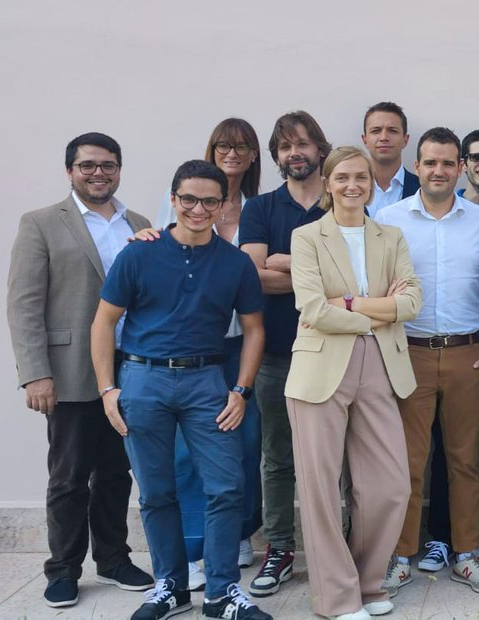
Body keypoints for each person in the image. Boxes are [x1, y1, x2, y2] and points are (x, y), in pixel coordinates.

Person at [91, 159, 270, 620]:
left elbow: (254, 329)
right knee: (155, 491)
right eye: (188, 199)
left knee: (226, 487)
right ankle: (170, 587)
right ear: (173, 200)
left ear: (223, 204)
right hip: (142, 380)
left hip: (207, 382)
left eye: (209, 201)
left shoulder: (235, 263)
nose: (198, 209)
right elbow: (104, 322)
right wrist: (108, 390)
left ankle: (222, 593)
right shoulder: (139, 254)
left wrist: (241, 390)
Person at [6, 132, 154, 608]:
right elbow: (24, 303)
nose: (98, 173)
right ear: (70, 171)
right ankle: (63, 569)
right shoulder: (41, 223)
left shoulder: (140, 224)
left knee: (116, 472)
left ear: (119, 170)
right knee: (69, 476)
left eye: (108, 165)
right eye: (87, 165)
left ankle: (112, 559)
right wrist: (35, 372)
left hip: (129, 368)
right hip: (69, 369)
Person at [285, 146, 421, 620]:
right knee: (320, 487)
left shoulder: (391, 236)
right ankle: (336, 599)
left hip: (381, 365)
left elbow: (411, 303)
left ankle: (367, 582)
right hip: (320, 369)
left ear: (371, 183)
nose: (352, 185)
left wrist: (350, 304)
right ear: (327, 183)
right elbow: (312, 309)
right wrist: (379, 312)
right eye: (342, 177)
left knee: (390, 485)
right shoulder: (306, 237)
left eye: (360, 176)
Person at [375, 127, 479, 596]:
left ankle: (466, 554)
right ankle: (400, 556)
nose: (439, 171)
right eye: (430, 162)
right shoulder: (388, 219)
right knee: (407, 462)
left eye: (448, 163)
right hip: (408, 352)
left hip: (470, 354)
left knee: (465, 460)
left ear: (461, 168)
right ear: (417, 166)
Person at [150, 118, 265, 590]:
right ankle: (194, 547)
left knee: (246, 441)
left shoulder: (258, 209)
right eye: (223, 145)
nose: (232, 153)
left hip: (243, 343)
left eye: (242, 146)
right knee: (187, 452)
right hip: (194, 347)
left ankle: (238, 532)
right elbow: (162, 248)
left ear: (254, 155)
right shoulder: (182, 200)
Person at [239, 110, 331, 597]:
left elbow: (356, 277)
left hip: (335, 352)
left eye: (303, 144)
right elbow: (252, 277)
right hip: (276, 353)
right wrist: (321, 276)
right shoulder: (260, 208)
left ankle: (336, 548)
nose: (295, 153)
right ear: (276, 156)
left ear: (319, 149)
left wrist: (289, 265)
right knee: (277, 459)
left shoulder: (342, 199)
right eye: (285, 146)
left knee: (336, 459)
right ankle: (279, 549)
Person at [418, 129, 479, 572]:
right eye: (475, 157)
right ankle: (432, 540)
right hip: (419, 351)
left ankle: (470, 540)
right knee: (426, 455)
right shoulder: (401, 218)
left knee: (474, 453)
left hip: (475, 351)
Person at [361, 101, 420, 217]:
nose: (384, 138)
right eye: (376, 131)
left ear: (405, 140)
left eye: (392, 131)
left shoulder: (422, 189)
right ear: (365, 140)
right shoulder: (347, 189)